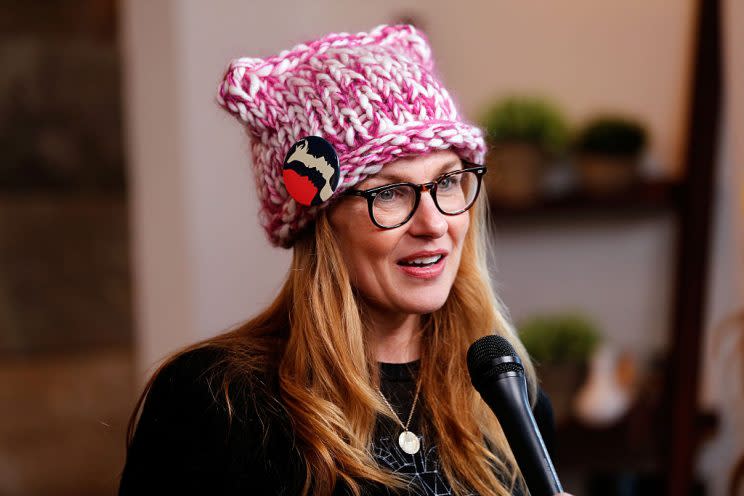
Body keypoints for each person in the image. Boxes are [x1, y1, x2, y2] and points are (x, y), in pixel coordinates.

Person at [118, 24, 573, 496]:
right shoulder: (220, 403)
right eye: (391, 192)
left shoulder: (508, 404)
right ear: (321, 221)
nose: (434, 223)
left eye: (448, 181)